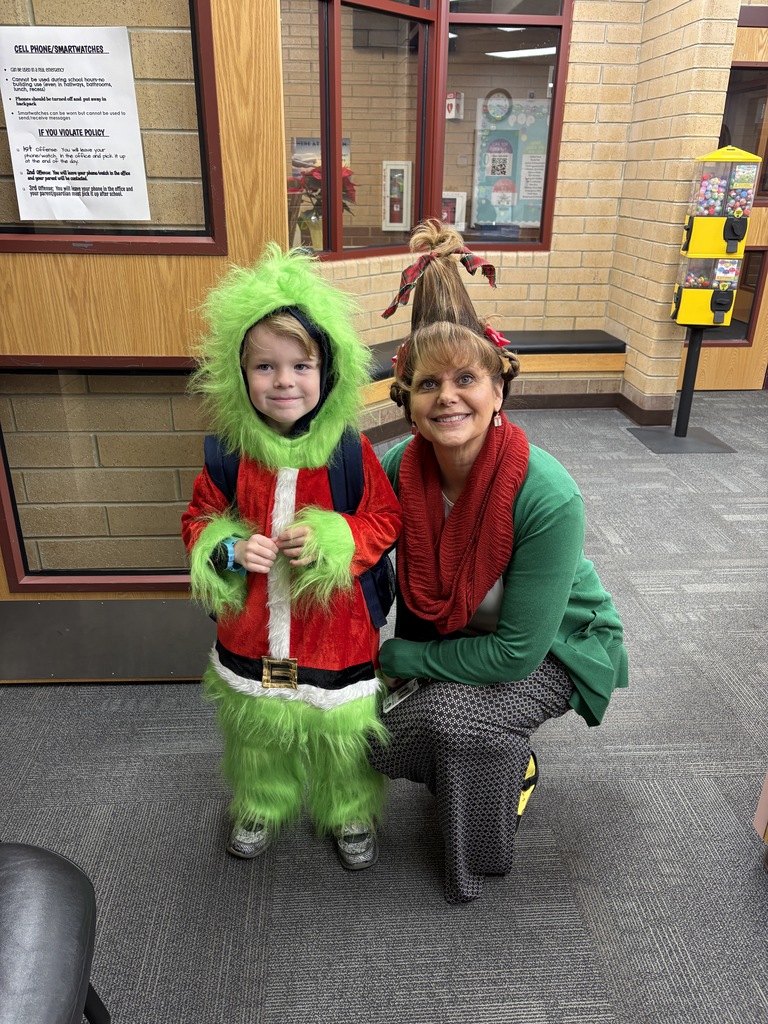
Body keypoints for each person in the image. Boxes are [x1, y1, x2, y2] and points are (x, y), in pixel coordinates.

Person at [368, 220, 629, 904]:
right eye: (427, 384)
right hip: (457, 636)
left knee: (456, 720)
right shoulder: (398, 468)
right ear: (409, 405)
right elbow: (359, 548)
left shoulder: (547, 493)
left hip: (553, 647)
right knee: (358, 730)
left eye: (465, 379)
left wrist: (402, 662)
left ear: (498, 390)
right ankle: (473, 759)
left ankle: (504, 779)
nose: (447, 396)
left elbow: (517, 654)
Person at [182, 245, 401, 870]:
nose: (283, 382)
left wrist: (335, 538)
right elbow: (197, 520)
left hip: (336, 634)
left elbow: (384, 520)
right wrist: (225, 546)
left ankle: (348, 808)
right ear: (238, 373)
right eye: (265, 367)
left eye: (301, 364)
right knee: (257, 730)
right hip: (252, 632)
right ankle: (261, 801)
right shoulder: (229, 455)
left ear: (327, 371)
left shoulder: (349, 452)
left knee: (341, 735)